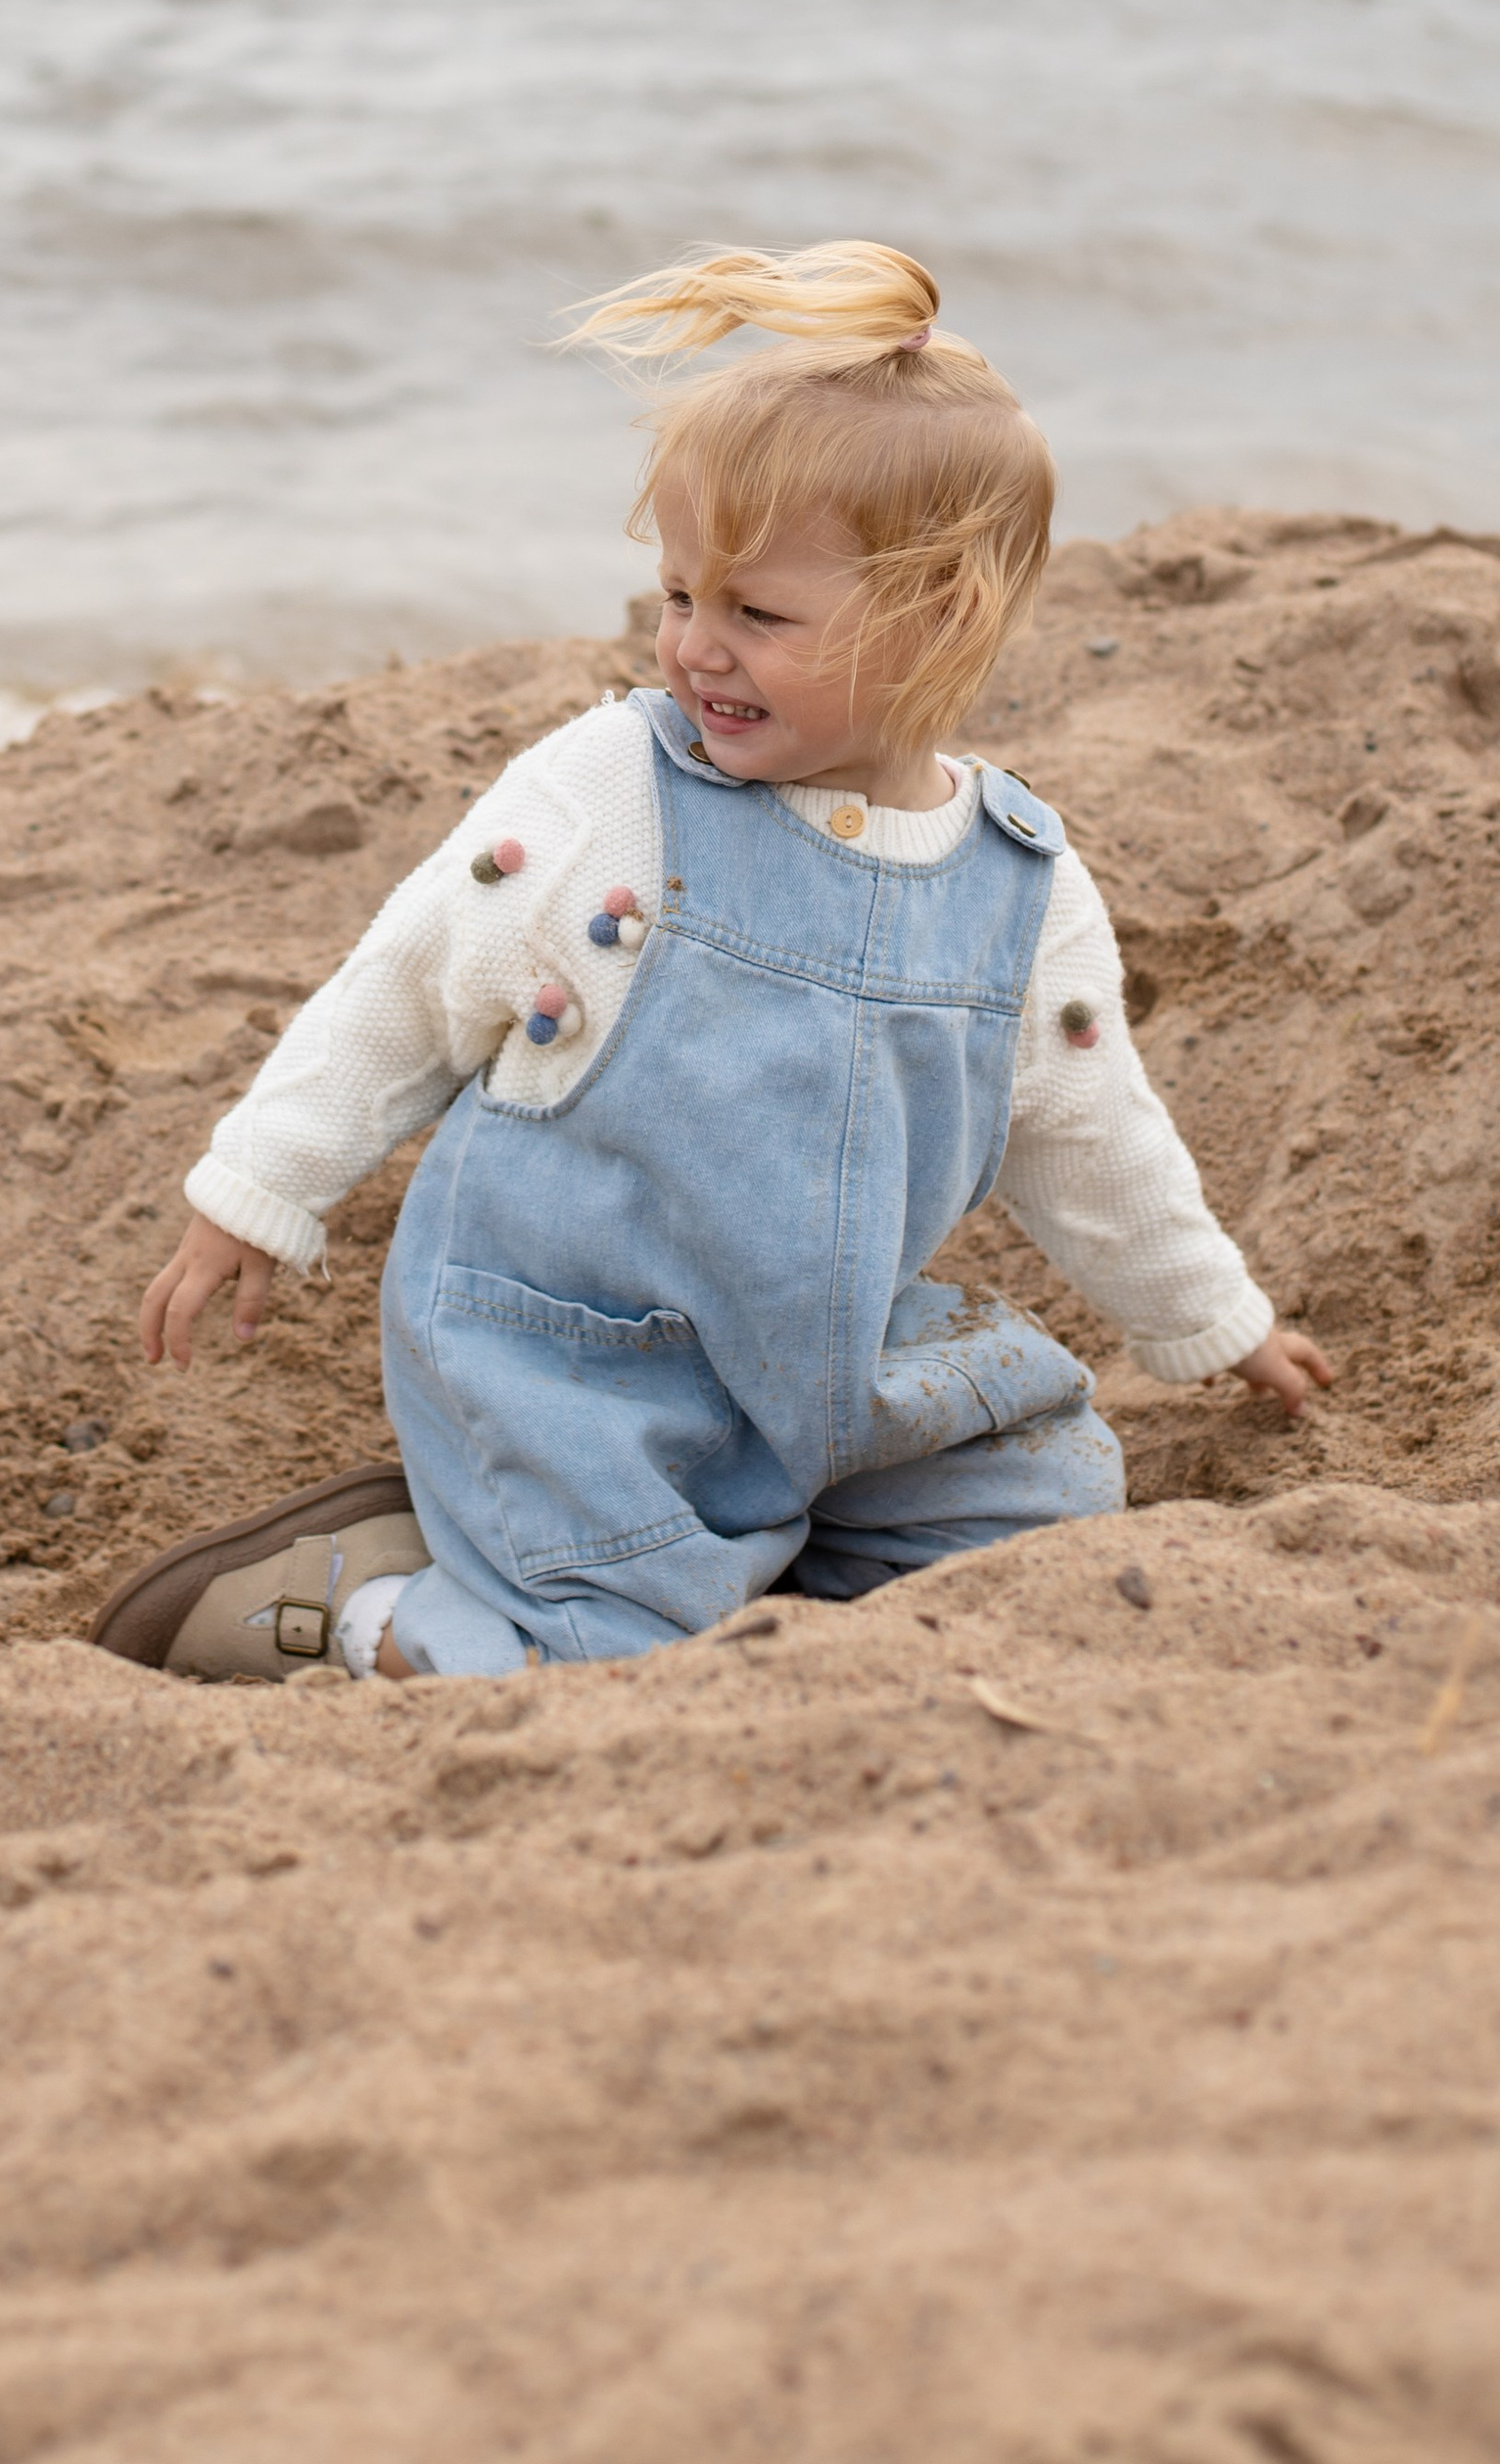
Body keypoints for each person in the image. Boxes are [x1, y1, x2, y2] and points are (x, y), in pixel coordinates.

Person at [93, 243, 1332, 1686]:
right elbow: (410, 982)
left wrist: (1210, 1323)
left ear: (941, 621)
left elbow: (1095, 1137)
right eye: (682, 596)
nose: (694, 649)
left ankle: (740, 1563)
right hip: (568, 1358)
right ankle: (352, 1609)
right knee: (600, 1658)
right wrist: (260, 1190)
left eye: (760, 615)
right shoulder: (613, 789)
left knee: (1047, 1510)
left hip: (829, 1359)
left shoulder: (1019, 885)